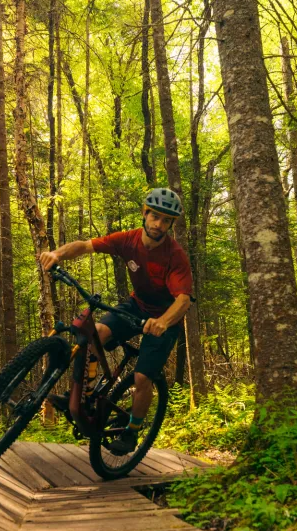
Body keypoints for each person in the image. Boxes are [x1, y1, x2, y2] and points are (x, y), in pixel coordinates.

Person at [38, 188, 193, 455]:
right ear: (145, 213)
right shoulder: (128, 239)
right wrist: (58, 254)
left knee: (143, 378)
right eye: (154, 216)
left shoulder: (174, 255)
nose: (158, 224)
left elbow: (183, 299)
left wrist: (163, 322)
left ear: (171, 224)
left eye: (166, 220)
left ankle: (132, 432)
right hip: (136, 306)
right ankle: (85, 396)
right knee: (95, 333)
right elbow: (86, 246)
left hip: (165, 317)